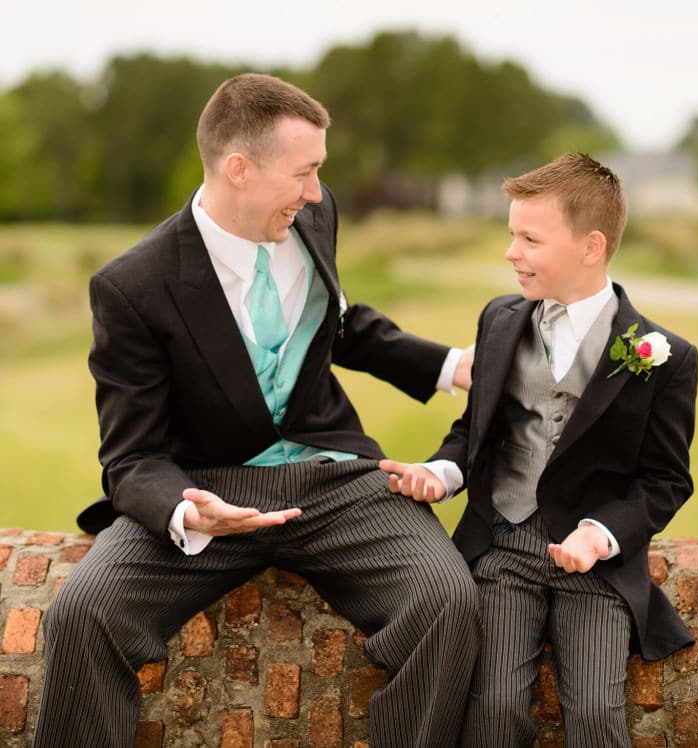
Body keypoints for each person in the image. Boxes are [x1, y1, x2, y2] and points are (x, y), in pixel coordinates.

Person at [38, 73, 480, 746]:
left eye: (318, 173)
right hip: (207, 484)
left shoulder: (312, 213)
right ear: (238, 169)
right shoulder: (133, 287)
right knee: (82, 614)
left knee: (447, 602)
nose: (316, 191)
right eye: (303, 172)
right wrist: (188, 510)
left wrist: (449, 365)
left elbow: (334, 320)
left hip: (334, 479)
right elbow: (130, 458)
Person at [379, 153, 698, 747]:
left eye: (529, 238)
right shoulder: (499, 320)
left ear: (591, 246)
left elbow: (666, 481)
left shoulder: (665, 355)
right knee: (496, 707)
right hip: (503, 548)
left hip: (595, 566)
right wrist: (441, 472)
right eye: (510, 235)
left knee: (597, 716)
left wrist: (600, 534)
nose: (511, 252)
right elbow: (474, 429)